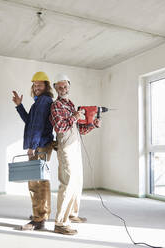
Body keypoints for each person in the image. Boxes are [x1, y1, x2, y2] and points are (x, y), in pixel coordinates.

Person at [50, 74, 101, 235]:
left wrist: (92, 124)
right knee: (68, 182)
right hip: (65, 147)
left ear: (69, 86)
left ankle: (72, 214)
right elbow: (60, 127)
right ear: (55, 88)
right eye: (59, 87)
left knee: (77, 181)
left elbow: (79, 130)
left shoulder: (71, 104)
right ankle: (60, 223)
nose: (63, 89)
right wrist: (75, 116)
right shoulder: (56, 105)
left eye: (65, 86)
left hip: (75, 145)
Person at [12, 71, 54, 231]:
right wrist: (19, 105)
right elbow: (30, 121)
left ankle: (39, 219)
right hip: (41, 145)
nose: (36, 87)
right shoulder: (39, 102)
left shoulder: (44, 101)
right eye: (34, 85)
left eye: (40, 84)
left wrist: (33, 146)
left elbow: (38, 127)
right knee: (39, 181)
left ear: (46, 86)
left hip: (40, 146)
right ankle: (40, 214)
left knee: (37, 183)